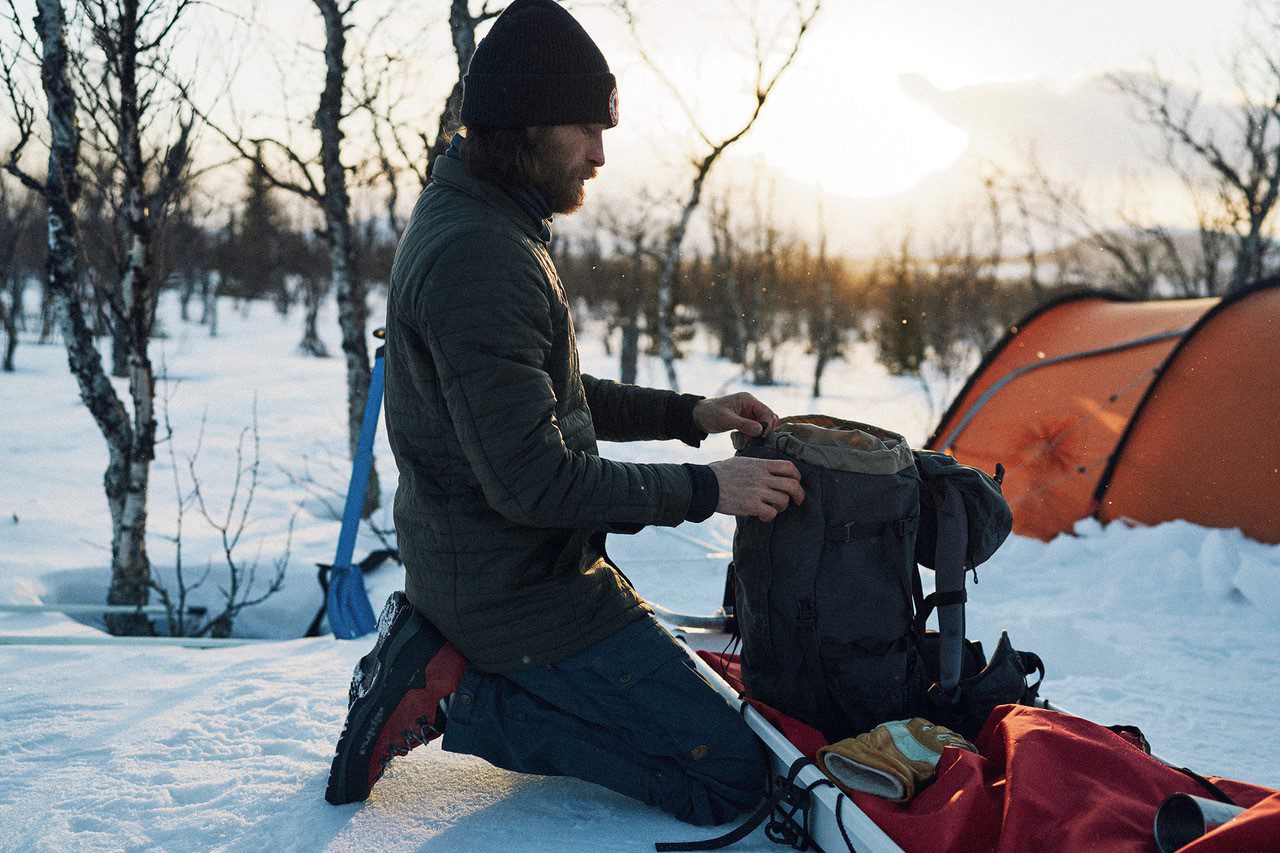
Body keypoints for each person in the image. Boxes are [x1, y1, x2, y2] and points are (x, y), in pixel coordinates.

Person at [324, 0, 805, 827]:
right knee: (734, 774)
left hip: (508, 568)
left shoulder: (486, 218)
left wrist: (690, 412)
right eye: (585, 128)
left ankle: (461, 667)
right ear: (524, 122)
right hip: (517, 596)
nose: (600, 154)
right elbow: (534, 482)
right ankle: (460, 694)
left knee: (722, 710)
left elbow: (552, 398)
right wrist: (708, 489)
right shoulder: (481, 254)